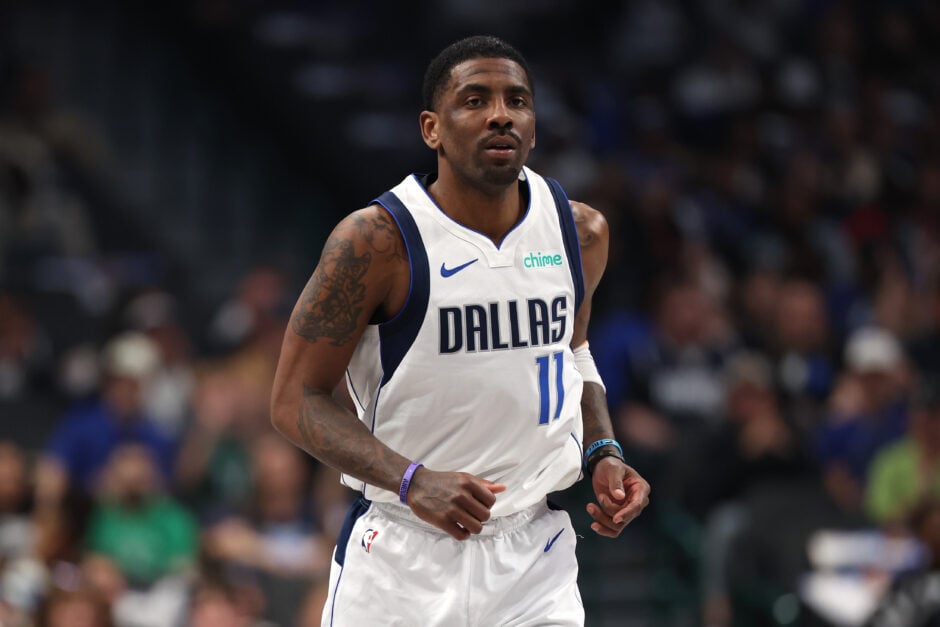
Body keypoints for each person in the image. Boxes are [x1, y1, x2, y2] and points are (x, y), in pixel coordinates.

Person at [270, 35, 650, 625]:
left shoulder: (582, 233)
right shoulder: (375, 241)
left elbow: (574, 352)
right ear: (432, 128)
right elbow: (295, 399)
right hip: (403, 556)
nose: (501, 113)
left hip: (533, 556)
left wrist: (603, 447)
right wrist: (411, 480)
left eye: (517, 100)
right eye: (475, 100)